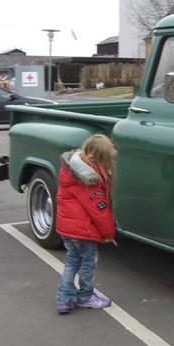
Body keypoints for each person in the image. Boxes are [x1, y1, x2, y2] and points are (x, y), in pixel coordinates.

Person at [54, 134, 118, 314]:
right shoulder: (89, 180)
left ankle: (64, 300)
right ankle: (85, 297)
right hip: (84, 231)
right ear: (101, 158)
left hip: (67, 227)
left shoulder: (73, 169)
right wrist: (109, 234)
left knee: (72, 262)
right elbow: (99, 211)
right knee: (88, 263)